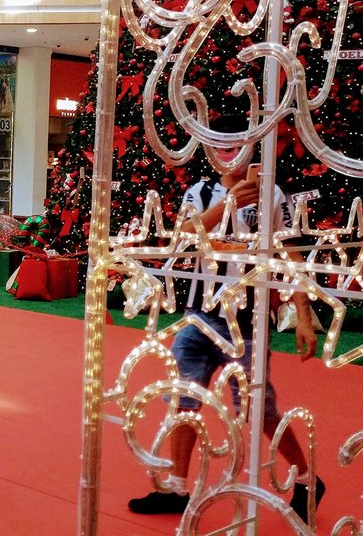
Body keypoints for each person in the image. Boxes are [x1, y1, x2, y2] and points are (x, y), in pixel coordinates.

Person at [128, 115, 325, 523]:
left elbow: (289, 255)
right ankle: (178, 489)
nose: (227, 151)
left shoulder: (274, 194)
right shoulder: (199, 191)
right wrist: (228, 202)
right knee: (183, 401)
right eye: (220, 143)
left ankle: (307, 479)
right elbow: (183, 237)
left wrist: (303, 314)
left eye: (236, 142)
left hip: (249, 321)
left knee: (258, 409)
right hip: (199, 317)